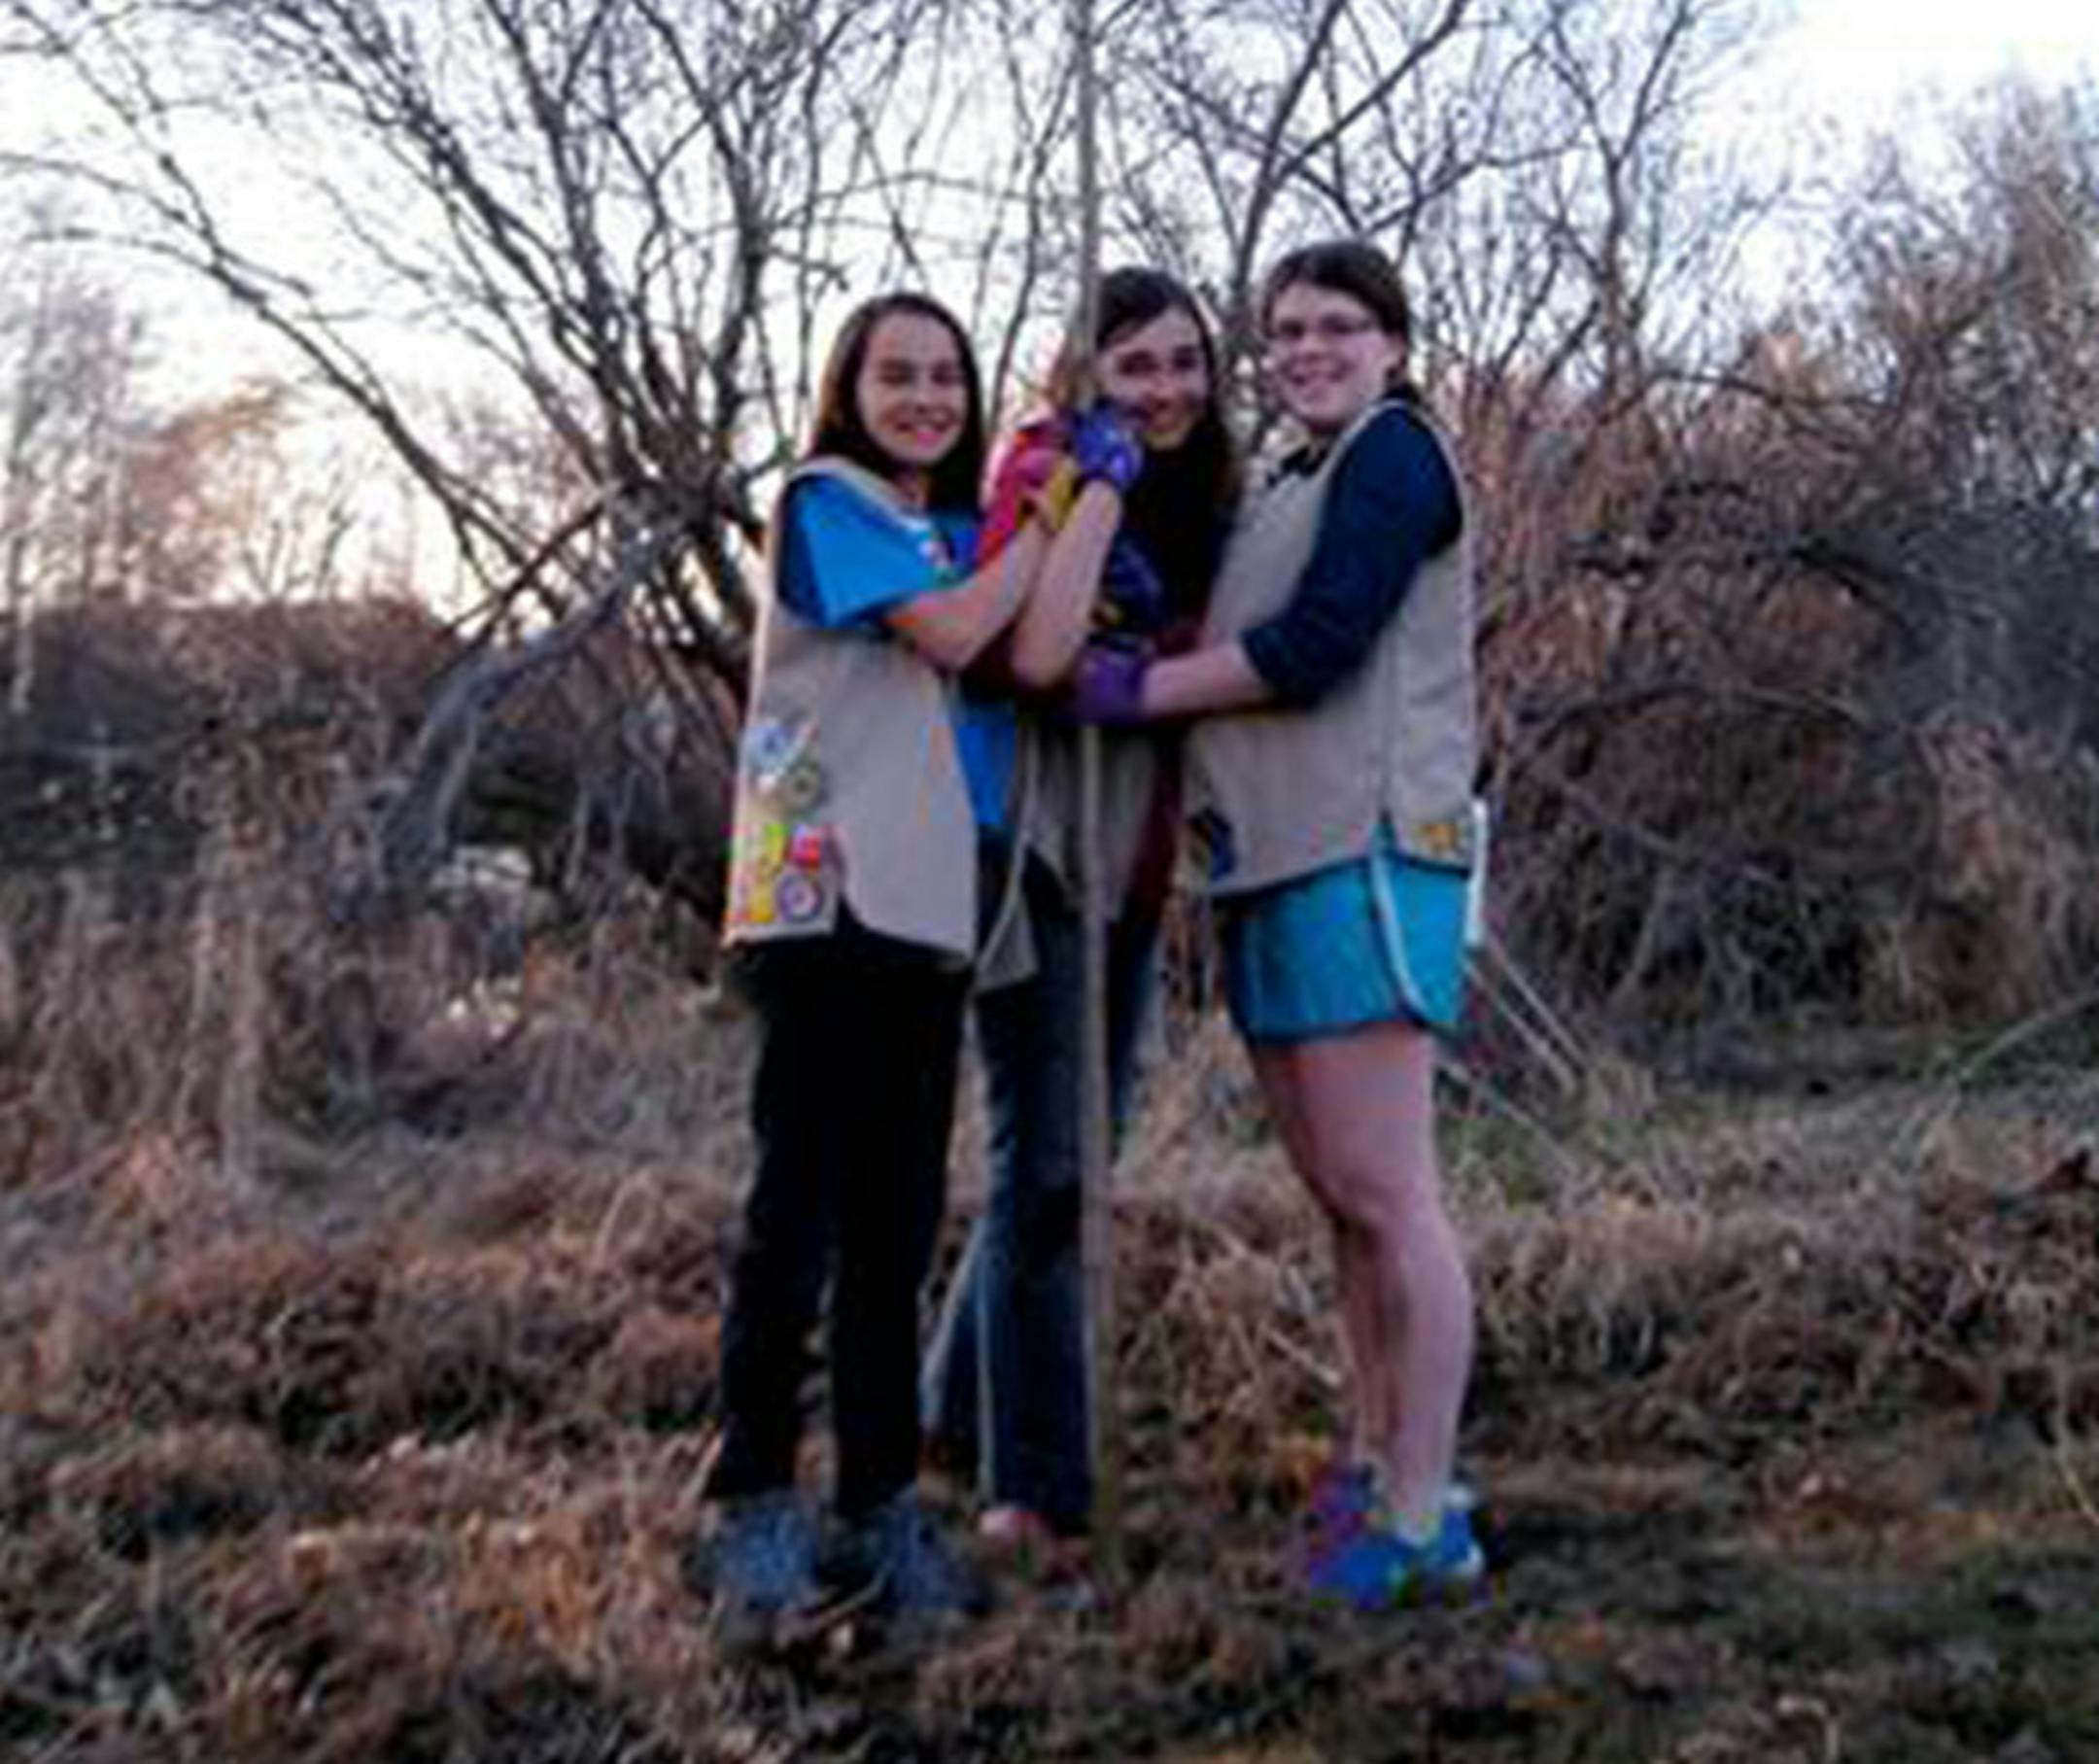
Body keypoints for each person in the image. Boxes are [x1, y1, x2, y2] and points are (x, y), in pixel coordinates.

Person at [1069, 240, 1485, 1607]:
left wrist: (1136, 694)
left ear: (1394, 344)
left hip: (1366, 853)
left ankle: (1425, 1510)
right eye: (1289, 331)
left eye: (1338, 327)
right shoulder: (1289, 476)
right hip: (1268, 864)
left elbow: (1316, 646)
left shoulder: (1394, 456)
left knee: (1391, 1192)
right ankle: (1372, 1459)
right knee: (1338, 1203)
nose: (1309, 350)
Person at [698, 291, 1111, 1641]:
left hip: (930, 913)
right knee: (797, 1216)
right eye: (898, 375)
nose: (927, 397)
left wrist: (1079, 504)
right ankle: (752, 1499)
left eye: (947, 376)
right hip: (822, 907)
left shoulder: (950, 532)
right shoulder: (829, 503)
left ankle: (875, 1503)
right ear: (850, 388)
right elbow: (958, 633)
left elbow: (1027, 651)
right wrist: (1044, 517)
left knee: (894, 1227)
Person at [920, 268, 1239, 1566]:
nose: (1165, 389)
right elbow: (1037, 656)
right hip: (1041, 857)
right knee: (1046, 1171)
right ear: (1087, 373)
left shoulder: (1210, 494)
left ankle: (951, 1409)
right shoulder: (1045, 468)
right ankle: (1034, 1489)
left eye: (1184, 362)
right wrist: (1095, 489)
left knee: (1070, 1165)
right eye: (1136, 365)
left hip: (1135, 865)